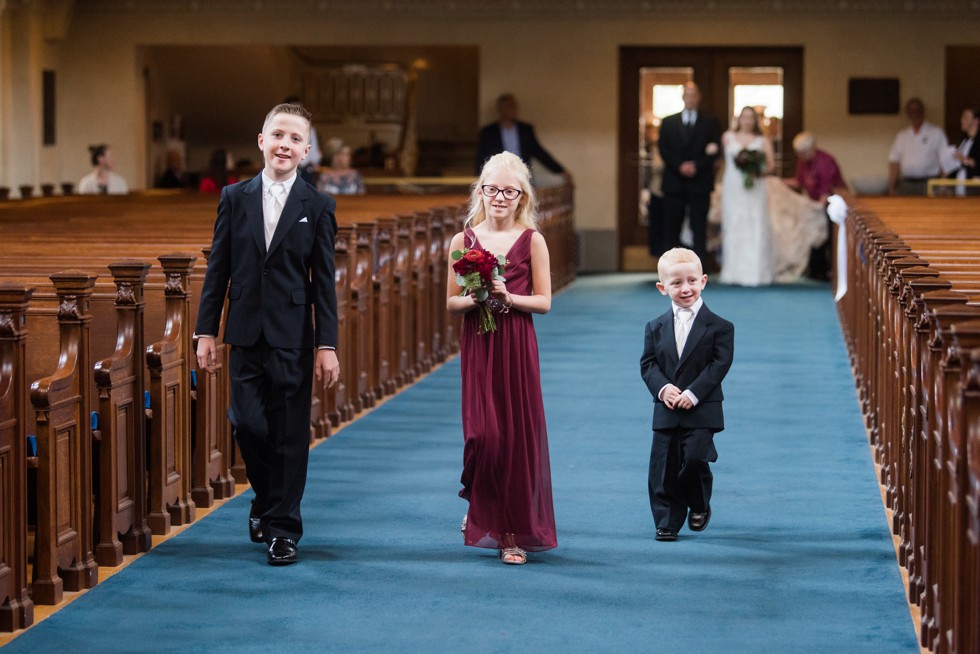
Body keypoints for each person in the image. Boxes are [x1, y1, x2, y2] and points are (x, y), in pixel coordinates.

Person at [195, 102, 340, 566]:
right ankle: (265, 498)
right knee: (248, 424)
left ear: (306, 151)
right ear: (261, 141)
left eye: (295, 139)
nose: (285, 144)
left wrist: (326, 344)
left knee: (291, 433)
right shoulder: (234, 198)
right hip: (244, 330)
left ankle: (283, 528)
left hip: (294, 335)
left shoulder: (317, 205)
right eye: (278, 135)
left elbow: (325, 282)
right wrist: (205, 332)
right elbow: (218, 269)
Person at [447, 151, 557, 565]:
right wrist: (475, 297)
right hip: (479, 342)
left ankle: (510, 532)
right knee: (483, 436)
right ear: (480, 191)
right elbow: (451, 302)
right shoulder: (463, 240)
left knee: (513, 440)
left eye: (509, 191)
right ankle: (479, 504)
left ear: (522, 197)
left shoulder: (533, 241)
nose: (499, 197)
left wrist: (509, 297)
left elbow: (544, 302)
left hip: (515, 342)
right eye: (491, 189)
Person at [640, 247, 734, 542]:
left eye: (692, 281)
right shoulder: (655, 327)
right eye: (676, 283)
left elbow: (719, 365)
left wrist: (694, 393)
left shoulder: (720, 326)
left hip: (702, 406)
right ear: (662, 288)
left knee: (694, 459)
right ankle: (666, 521)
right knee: (663, 466)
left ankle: (699, 502)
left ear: (704, 281)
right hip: (666, 408)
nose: (686, 288)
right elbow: (648, 363)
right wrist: (663, 388)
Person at [658, 82, 721, 264]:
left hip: (699, 181)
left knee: (699, 227)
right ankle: (670, 269)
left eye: (694, 95)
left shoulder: (710, 122)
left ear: (699, 97)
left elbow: (715, 150)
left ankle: (698, 270)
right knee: (672, 227)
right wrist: (680, 166)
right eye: (687, 95)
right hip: (674, 181)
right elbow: (664, 149)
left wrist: (697, 166)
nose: (690, 99)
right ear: (682, 97)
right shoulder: (669, 122)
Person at [719, 106, 775, 286]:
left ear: (755, 121)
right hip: (733, 187)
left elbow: (771, 165)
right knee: (734, 223)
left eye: (751, 118)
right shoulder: (727, 137)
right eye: (744, 117)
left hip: (754, 187)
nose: (747, 121)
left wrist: (756, 170)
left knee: (754, 223)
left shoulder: (762, 140)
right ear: (738, 119)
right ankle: (733, 272)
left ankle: (756, 272)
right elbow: (722, 163)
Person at [475, 93, 573, 185]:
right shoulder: (489, 132)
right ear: (500, 109)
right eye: (510, 106)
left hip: (523, 175)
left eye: (515, 106)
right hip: (499, 177)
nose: (514, 109)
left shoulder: (525, 130)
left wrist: (560, 170)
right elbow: (482, 157)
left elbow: (539, 152)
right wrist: (480, 178)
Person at [887, 98, 949, 196]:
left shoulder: (936, 132)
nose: (914, 113)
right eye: (911, 111)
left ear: (923, 112)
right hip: (906, 184)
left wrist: (943, 186)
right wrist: (891, 187)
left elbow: (945, 160)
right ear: (907, 113)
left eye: (917, 110)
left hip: (929, 183)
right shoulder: (902, 135)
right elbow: (894, 162)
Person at [284, 95, 321, 186]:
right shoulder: (279, 129)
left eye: (299, 109)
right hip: (285, 172)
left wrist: (311, 161)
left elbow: (315, 154)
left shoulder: (310, 130)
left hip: (305, 172)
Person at [948, 106, 980, 190]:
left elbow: (976, 163)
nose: (962, 120)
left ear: (976, 121)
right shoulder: (963, 140)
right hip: (959, 184)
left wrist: (964, 159)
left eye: (965, 117)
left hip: (974, 187)